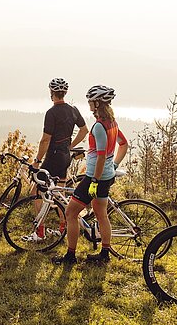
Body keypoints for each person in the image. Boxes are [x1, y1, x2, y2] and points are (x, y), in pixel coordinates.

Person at [52, 85, 129, 265]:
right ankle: (104, 254)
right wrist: (114, 164)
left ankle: (70, 256)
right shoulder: (113, 123)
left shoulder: (100, 127)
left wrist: (94, 180)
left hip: (96, 177)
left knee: (70, 213)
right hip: (106, 176)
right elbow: (123, 144)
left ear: (97, 103)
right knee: (101, 214)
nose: (88, 104)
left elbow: (101, 155)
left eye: (90, 101)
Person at [23, 78, 88, 242]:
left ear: (51, 93)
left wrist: (37, 160)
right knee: (59, 194)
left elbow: (45, 140)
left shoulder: (51, 113)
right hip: (65, 157)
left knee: (36, 192)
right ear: (64, 93)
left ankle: (39, 232)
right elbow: (84, 130)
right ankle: (62, 228)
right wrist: (70, 145)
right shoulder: (73, 110)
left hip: (52, 157)